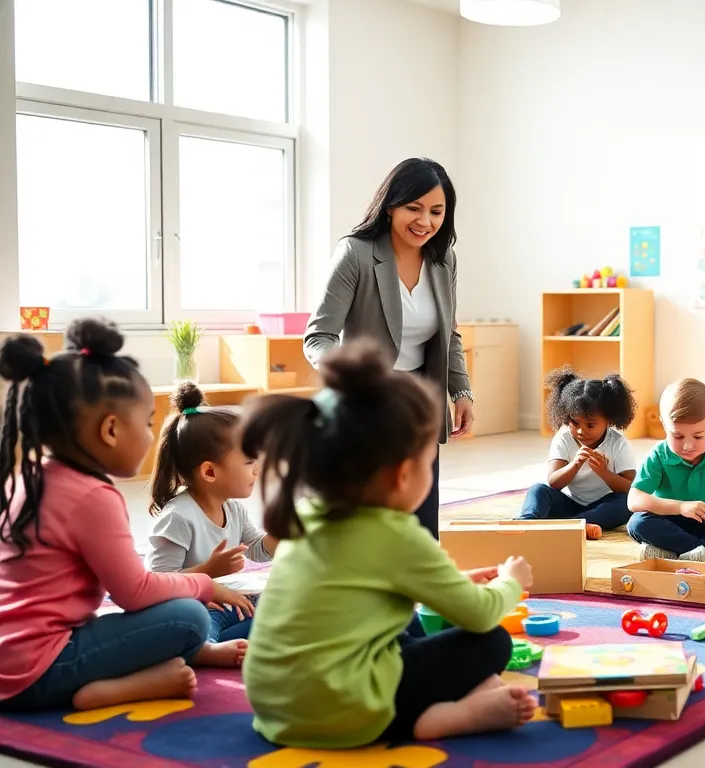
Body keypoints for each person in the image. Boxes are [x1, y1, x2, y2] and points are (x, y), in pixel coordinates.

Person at [240, 340, 534, 748]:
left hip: (275, 707)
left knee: (403, 622)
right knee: (491, 642)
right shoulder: (396, 534)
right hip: (346, 711)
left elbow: (356, 591)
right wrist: (510, 581)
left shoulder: (308, 516)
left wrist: (454, 580)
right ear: (401, 474)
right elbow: (479, 615)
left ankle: (432, 705)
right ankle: (439, 718)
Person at [0, 320, 254, 713]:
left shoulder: (26, 478)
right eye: (149, 423)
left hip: (13, 658)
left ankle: (177, 659)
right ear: (112, 430)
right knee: (188, 616)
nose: (154, 437)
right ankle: (105, 689)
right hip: (38, 673)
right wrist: (206, 584)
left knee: (177, 612)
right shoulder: (93, 497)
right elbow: (134, 593)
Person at [304, 157, 473, 541]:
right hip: (367, 402)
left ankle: (418, 592)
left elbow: (450, 333)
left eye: (436, 211)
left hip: (419, 401)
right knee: (369, 516)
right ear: (391, 205)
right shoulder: (356, 253)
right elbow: (319, 336)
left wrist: (460, 391)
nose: (425, 221)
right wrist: (355, 382)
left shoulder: (444, 259)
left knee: (422, 515)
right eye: (414, 207)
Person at [146, 382, 277, 654]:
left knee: (287, 601)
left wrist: (281, 532)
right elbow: (156, 583)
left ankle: (235, 640)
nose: (257, 469)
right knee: (194, 624)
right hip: (195, 605)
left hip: (231, 600)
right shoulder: (178, 517)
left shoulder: (233, 509)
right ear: (210, 472)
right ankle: (206, 650)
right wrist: (208, 571)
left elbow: (257, 550)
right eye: (249, 462)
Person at [626, 379, 705, 564]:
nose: (687, 445)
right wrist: (680, 507)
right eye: (677, 436)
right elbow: (634, 499)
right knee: (637, 523)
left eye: (698, 436)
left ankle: (674, 552)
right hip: (670, 524)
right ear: (664, 424)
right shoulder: (657, 455)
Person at [520, 366, 637, 531]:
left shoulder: (618, 443)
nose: (582, 431)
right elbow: (554, 483)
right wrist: (575, 464)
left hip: (604, 507)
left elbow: (631, 488)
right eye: (575, 423)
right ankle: (527, 523)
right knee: (538, 490)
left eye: (591, 425)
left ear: (609, 421)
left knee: (627, 503)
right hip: (571, 505)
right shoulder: (564, 437)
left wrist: (604, 472)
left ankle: (570, 525)